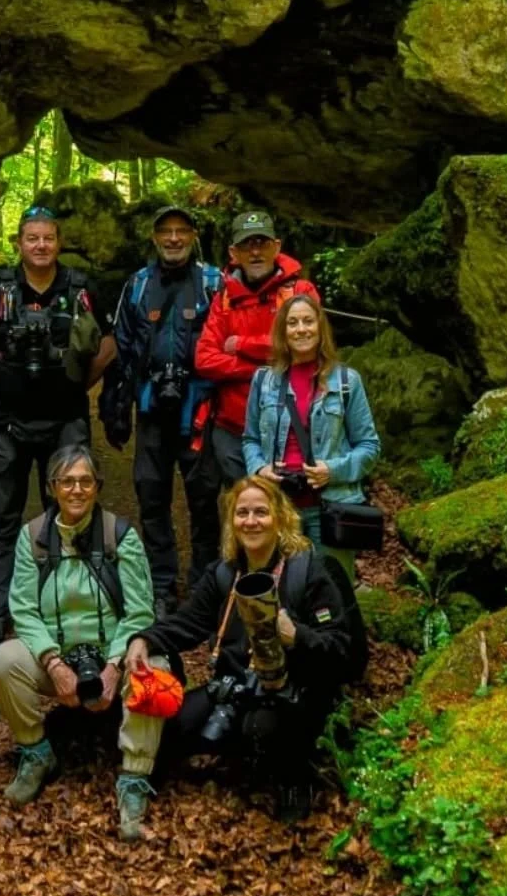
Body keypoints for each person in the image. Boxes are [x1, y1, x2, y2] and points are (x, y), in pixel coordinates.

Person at [128, 472, 362, 800]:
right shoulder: (225, 573)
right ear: (232, 521)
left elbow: (342, 648)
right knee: (177, 726)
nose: (251, 522)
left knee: (261, 732)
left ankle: (291, 784)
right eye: (242, 513)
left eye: (261, 512)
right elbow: (187, 623)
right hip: (235, 685)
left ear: (280, 518)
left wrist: (296, 636)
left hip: (294, 690)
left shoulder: (307, 571)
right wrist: (144, 639)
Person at [0, 206, 114, 650]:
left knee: (69, 513)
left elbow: (108, 346)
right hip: (6, 422)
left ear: (58, 242)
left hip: (64, 420)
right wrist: (0, 386)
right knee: (3, 516)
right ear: (19, 243)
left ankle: (63, 603)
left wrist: (78, 384)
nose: (41, 245)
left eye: (48, 238)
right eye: (32, 238)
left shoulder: (80, 288)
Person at [0, 446, 165, 842]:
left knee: (157, 670)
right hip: (56, 657)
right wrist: (54, 663)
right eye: (67, 481)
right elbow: (24, 610)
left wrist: (114, 665)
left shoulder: (120, 535)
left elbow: (140, 612)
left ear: (97, 487)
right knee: (3, 660)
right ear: (52, 488)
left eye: (86, 481)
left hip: (111, 655)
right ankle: (35, 752)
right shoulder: (32, 538)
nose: (77, 490)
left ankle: (135, 778)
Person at [107, 204, 223, 617]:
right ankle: (161, 586)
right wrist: (116, 409)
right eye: (165, 232)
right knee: (152, 497)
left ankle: (205, 587)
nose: (173, 239)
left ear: (193, 236)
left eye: (182, 231)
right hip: (152, 408)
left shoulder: (213, 282)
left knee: (204, 500)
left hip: (199, 409)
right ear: (154, 238)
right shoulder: (138, 285)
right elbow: (120, 349)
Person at [243, 294, 379, 581]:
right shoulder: (264, 381)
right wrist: (260, 469)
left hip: (330, 506)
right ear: (283, 331)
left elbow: (369, 446)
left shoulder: (346, 381)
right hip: (279, 509)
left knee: (334, 591)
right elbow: (250, 439)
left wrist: (333, 470)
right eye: (292, 323)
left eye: (308, 321)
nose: (301, 329)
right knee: (281, 591)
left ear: (320, 328)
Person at [194, 210, 318, 492]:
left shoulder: (300, 291)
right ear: (233, 253)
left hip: (292, 430)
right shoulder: (225, 298)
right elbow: (205, 359)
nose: (256, 252)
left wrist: (240, 345)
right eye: (247, 245)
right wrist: (262, 370)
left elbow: (304, 346)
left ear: (277, 246)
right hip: (233, 429)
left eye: (262, 243)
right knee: (245, 511)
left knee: (289, 516)